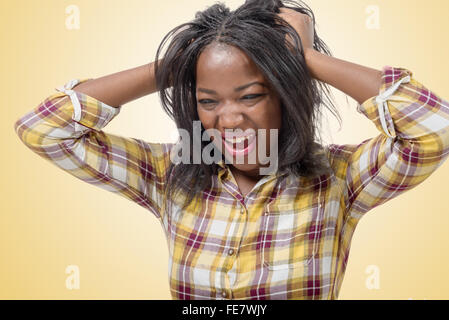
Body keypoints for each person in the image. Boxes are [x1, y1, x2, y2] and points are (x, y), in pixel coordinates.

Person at [14, 0, 449, 300]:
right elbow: (44, 130)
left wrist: (306, 57)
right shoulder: (171, 173)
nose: (229, 119)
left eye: (250, 96)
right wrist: (175, 63)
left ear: (286, 93)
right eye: (208, 101)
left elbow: (435, 129)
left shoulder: (340, 178)